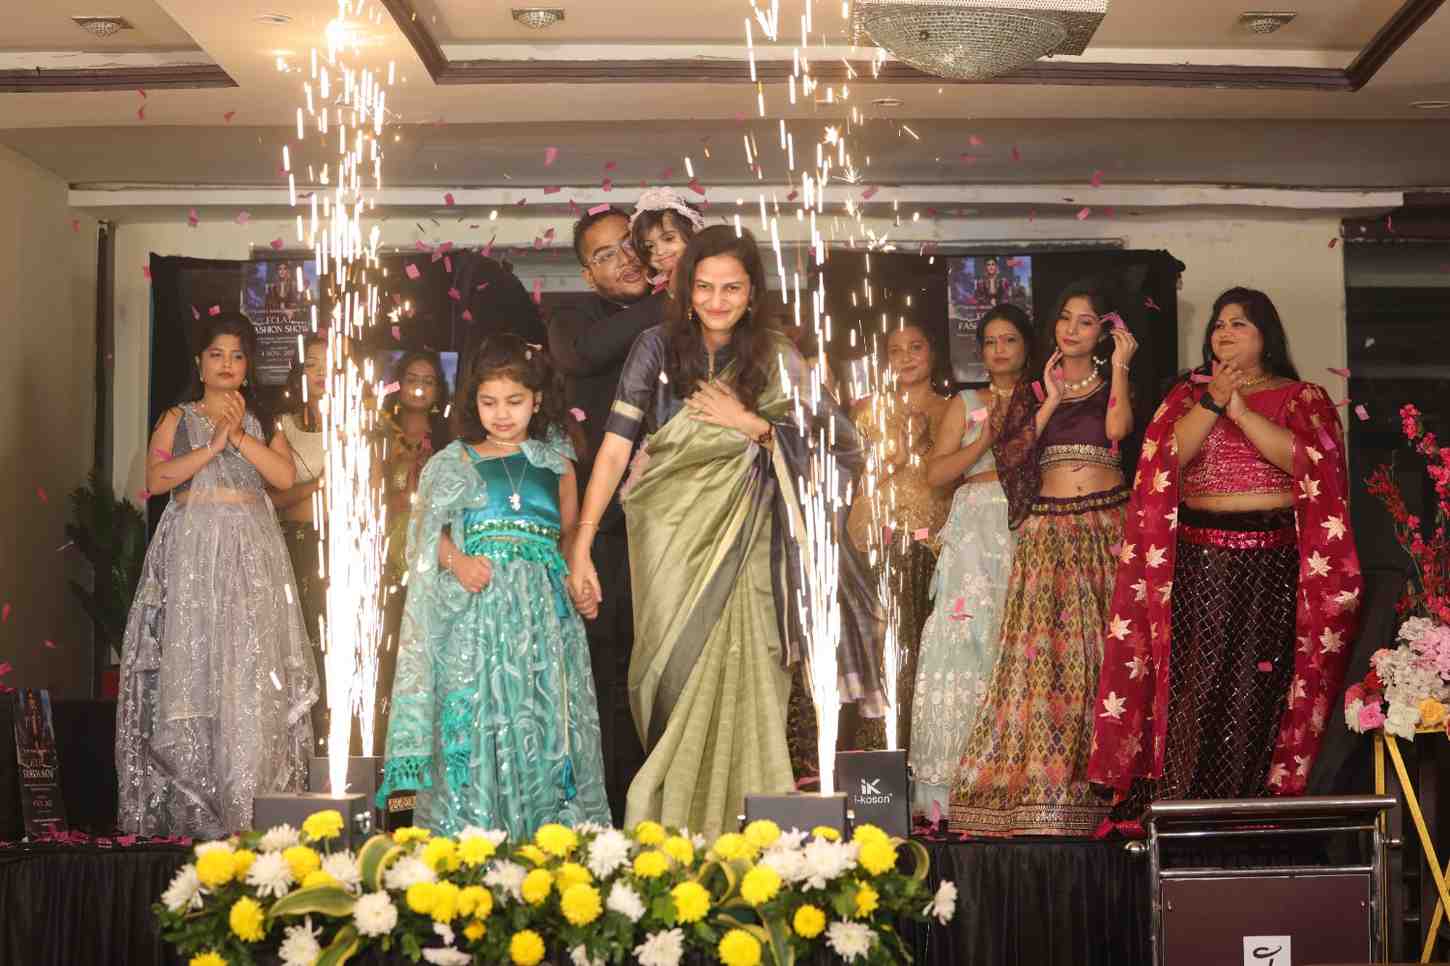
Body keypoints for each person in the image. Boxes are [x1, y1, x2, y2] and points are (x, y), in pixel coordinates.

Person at [566, 225, 884, 838]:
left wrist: (752, 426)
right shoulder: (655, 347)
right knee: (668, 672)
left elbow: (842, 446)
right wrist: (581, 542)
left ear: (752, 292)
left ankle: (752, 833)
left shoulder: (776, 356)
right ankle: (670, 830)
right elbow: (614, 449)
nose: (716, 301)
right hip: (666, 535)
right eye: (705, 287)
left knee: (753, 670)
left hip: (751, 542)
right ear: (686, 289)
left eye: (731, 288)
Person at [1090, 288, 1363, 815]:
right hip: (1200, 563)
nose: (1225, 332)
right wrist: (1214, 401)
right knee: (1198, 682)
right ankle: (1185, 804)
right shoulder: (1186, 397)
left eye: (1240, 323)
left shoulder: (1300, 396)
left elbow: (1307, 463)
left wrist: (1240, 409)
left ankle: (1255, 809)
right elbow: (1165, 462)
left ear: (1267, 337)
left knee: (1259, 686)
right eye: (1219, 323)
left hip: (1273, 564)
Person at [375, 335, 609, 838]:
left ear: (537, 401)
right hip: (478, 618)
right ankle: (473, 833)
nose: (502, 414)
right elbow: (422, 532)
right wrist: (457, 561)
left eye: (514, 401)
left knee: (543, 719)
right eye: (489, 402)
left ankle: (547, 839)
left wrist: (581, 584)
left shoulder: (557, 465)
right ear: (473, 402)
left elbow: (569, 540)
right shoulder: (454, 460)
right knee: (483, 715)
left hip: (543, 623)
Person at [116, 311, 318, 837]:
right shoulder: (177, 417)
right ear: (199, 363)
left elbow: (283, 476)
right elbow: (156, 479)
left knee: (249, 665)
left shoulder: (262, 421)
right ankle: (196, 811)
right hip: (195, 550)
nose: (227, 364)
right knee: (198, 662)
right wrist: (211, 446)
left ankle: (249, 805)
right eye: (216, 354)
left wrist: (238, 436)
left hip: (251, 552)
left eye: (237, 355)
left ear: (248, 366)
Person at [949, 281, 1138, 837]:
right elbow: (1010, 453)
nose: (1072, 329)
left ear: (1104, 332)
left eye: (1086, 321)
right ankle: (1044, 791)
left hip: (1103, 525)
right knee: (1048, 657)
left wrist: (1120, 367)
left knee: (1102, 653)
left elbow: (1118, 431)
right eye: (1065, 318)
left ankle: (1104, 790)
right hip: (1049, 529)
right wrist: (1051, 398)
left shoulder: (1114, 381)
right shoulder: (1033, 390)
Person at [546, 206, 666, 825]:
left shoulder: (697, 322)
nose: (626, 259)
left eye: (631, 244)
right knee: (611, 674)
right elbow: (585, 354)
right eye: (606, 254)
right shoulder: (572, 321)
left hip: (681, 524)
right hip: (607, 531)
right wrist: (680, 290)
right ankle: (616, 822)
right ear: (587, 275)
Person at [911, 305, 1032, 817]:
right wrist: (984, 442)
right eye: (990, 341)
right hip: (975, 521)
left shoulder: (1042, 399)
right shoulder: (966, 402)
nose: (999, 350)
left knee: (1017, 639)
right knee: (963, 639)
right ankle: (952, 783)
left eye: (1009, 340)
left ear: (1026, 346)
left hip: (1028, 522)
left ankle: (1017, 780)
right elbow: (936, 474)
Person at [844, 323, 952, 752]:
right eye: (895, 350)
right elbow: (851, 480)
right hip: (878, 541)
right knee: (883, 646)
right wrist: (897, 455)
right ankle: (880, 752)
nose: (906, 357)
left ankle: (925, 751)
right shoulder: (868, 410)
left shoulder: (953, 409)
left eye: (916, 347)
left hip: (935, 544)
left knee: (928, 652)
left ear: (933, 353)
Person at [377, 350, 454, 750]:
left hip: (435, 555)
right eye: (412, 379)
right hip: (386, 554)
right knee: (389, 644)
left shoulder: (449, 439)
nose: (420, 387)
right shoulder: (380, 433)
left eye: (428, 380)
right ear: (398, 383)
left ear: (439, 389)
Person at [270, 336, 329, 745]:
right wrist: (320, 486)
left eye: (329, 363)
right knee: (297, 639)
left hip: (341, 547)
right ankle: (296, 738)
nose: (322, 372)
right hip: (296, 544)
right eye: (312, 363)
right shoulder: (283, 426)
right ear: (299, 371)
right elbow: (274, 497)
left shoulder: (361, 424)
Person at [629, 186, 704, 288]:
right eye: (650, 246)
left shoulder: (710, 276)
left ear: (693, 234)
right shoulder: (658, 290)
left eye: (669, 239)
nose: (660, 251)